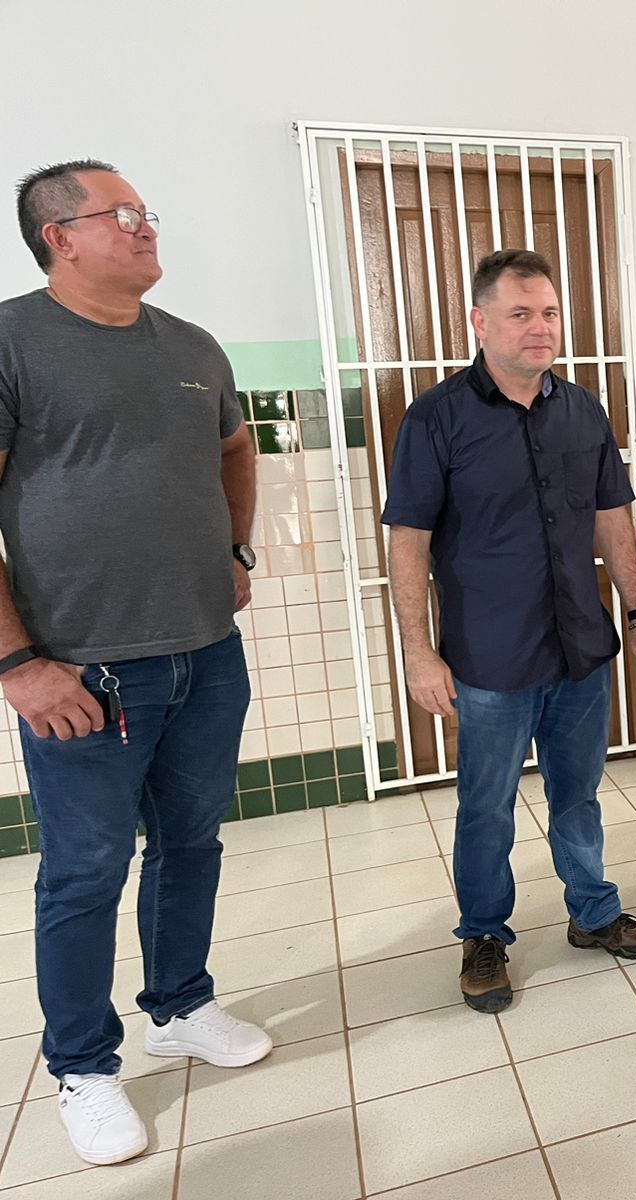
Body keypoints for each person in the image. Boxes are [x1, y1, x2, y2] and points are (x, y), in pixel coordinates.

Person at [0, 160, 270, 1166]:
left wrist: (237, 548)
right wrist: (18, 664)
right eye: (122, 215)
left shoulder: (192, 347)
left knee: (191, 842)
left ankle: (179, 1006)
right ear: (59, 237)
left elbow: (236, 450)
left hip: (206, 652)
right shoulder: (13, 341)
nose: (145, 226)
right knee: (83, 871)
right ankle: (81, 1064)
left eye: (146, 212)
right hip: (82, 670)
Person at [382, 248, 636, 1016]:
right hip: (489, 655)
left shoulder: (583, 410)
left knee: (579, 796)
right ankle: (483, 934)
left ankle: (593, 911)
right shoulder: (436, 418)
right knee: (487, 803)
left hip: (578, 645)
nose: (540, 328)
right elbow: (406, 538)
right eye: (520, 313)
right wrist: (417, 649)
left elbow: (613, 519)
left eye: (548, 312)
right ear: (480, 322)